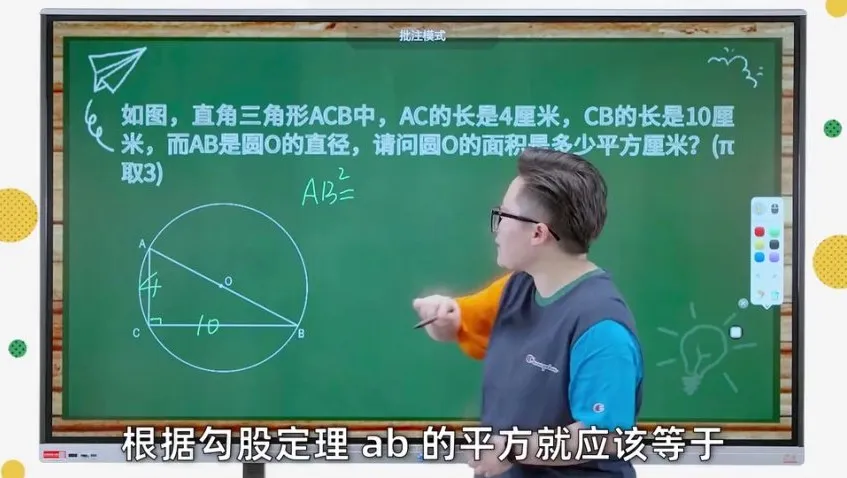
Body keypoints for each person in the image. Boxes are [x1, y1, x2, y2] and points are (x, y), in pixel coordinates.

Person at [412, 147, 644, 477]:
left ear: (538, 233)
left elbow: (603, 437)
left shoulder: (601, 328)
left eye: (504, 216)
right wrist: (441, 315)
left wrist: (512, 448)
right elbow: (456, 323)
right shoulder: (515, 288)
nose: (497, 229)